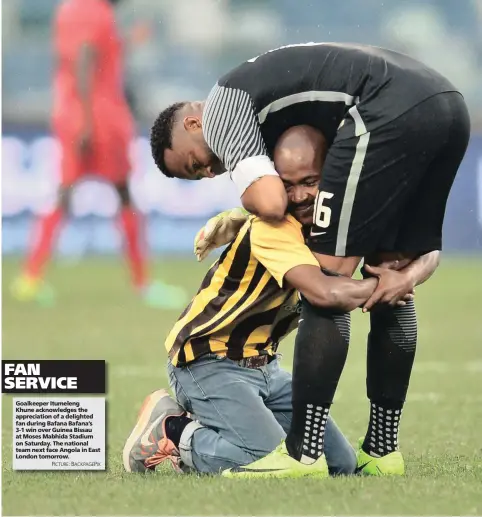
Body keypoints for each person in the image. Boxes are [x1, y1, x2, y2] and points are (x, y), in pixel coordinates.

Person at [149, 42, 469, 476]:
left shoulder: (223, 110)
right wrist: (399, 279)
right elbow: (425, 255)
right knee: (390, 267)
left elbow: (270, 200)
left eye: (194, 163)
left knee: (331, 271)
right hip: (448, 106)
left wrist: (241, 210)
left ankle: (302, 453)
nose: (211, 172)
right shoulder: (273, 121)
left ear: (193, 123)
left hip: (384, 110)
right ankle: (381, 449)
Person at [123, 125, 434, 477]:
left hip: (266, 367)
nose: (300, 195)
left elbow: (429, 250)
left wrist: (405, 278)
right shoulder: (272, 227)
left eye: (311, 182)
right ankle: (172, 430)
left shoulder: (333, 222)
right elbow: (326, 293)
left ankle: (221, 426)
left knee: (339, 465)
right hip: (205, 362)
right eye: (288, 185)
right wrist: (387, 285)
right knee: (264, 460)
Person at [10, 0, 186, 309]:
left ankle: (30, 278)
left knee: (64, 194)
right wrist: (87, 122)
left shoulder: (71, 9)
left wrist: (126, 41)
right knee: (124, 194)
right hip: (100, 119)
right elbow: (84, 58)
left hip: (74, 114)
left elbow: (87, 56)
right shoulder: (94, 11)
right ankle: (142, 283)